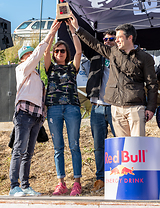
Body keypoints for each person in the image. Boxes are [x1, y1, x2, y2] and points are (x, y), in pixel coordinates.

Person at [69, 13, 158, 137]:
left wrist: (151, 108)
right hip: (116, 108)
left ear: (130, 38)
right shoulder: (113, 52)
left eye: (119, 37)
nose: (116, 40)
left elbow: (152, 84)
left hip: (135, 107)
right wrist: (77, 28)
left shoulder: (145, 58)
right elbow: (94, 43)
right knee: (122, 146)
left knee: (137, 145)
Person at [9, 22, 58, 197]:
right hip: (23, 114)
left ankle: (25, 185)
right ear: (23, 58)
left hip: (36, 116)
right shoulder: (22, 68)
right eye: (27, 55)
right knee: (19, 149)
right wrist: (50, 33)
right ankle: (14, 186)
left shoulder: (36, 77)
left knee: (28, 153)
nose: (31, 57)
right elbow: (39, 53)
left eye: (31, 54)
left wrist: (42, 114)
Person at [44, 19, 82, 196]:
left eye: (63, 50)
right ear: (53, 53)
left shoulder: (72, 68)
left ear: (67, 53)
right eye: (57, 50)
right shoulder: (49, 68)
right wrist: (53, 32)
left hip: (72, 108)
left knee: (74, 145)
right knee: (58, 147)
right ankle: (61, 183)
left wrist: (72, 30)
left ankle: (77, 182)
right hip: (54, 110)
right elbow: (45, 51)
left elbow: (79, 51)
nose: (59, 52)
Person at [76, 29, 116, 192]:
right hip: (97, 106)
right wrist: (74, 29)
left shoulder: (119, 56)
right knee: (98, 146)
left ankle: (120, 176)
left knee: (119, 142)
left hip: (115, 107)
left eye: (111, 38)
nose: (107, 41)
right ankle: (100, 178)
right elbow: (86, 43)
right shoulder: (96, 55)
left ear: (117, 40)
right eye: (105, 39)